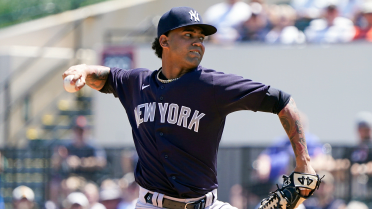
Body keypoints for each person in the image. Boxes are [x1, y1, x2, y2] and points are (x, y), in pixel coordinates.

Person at [62, 6, 317, 209]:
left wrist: (304, 161)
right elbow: (105, 76)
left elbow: (283, 101)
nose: (198, 42)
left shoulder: (213, 85)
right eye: (188, 35)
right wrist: (83, 70)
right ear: (164, 41)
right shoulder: (135, 83)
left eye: (200, 37)